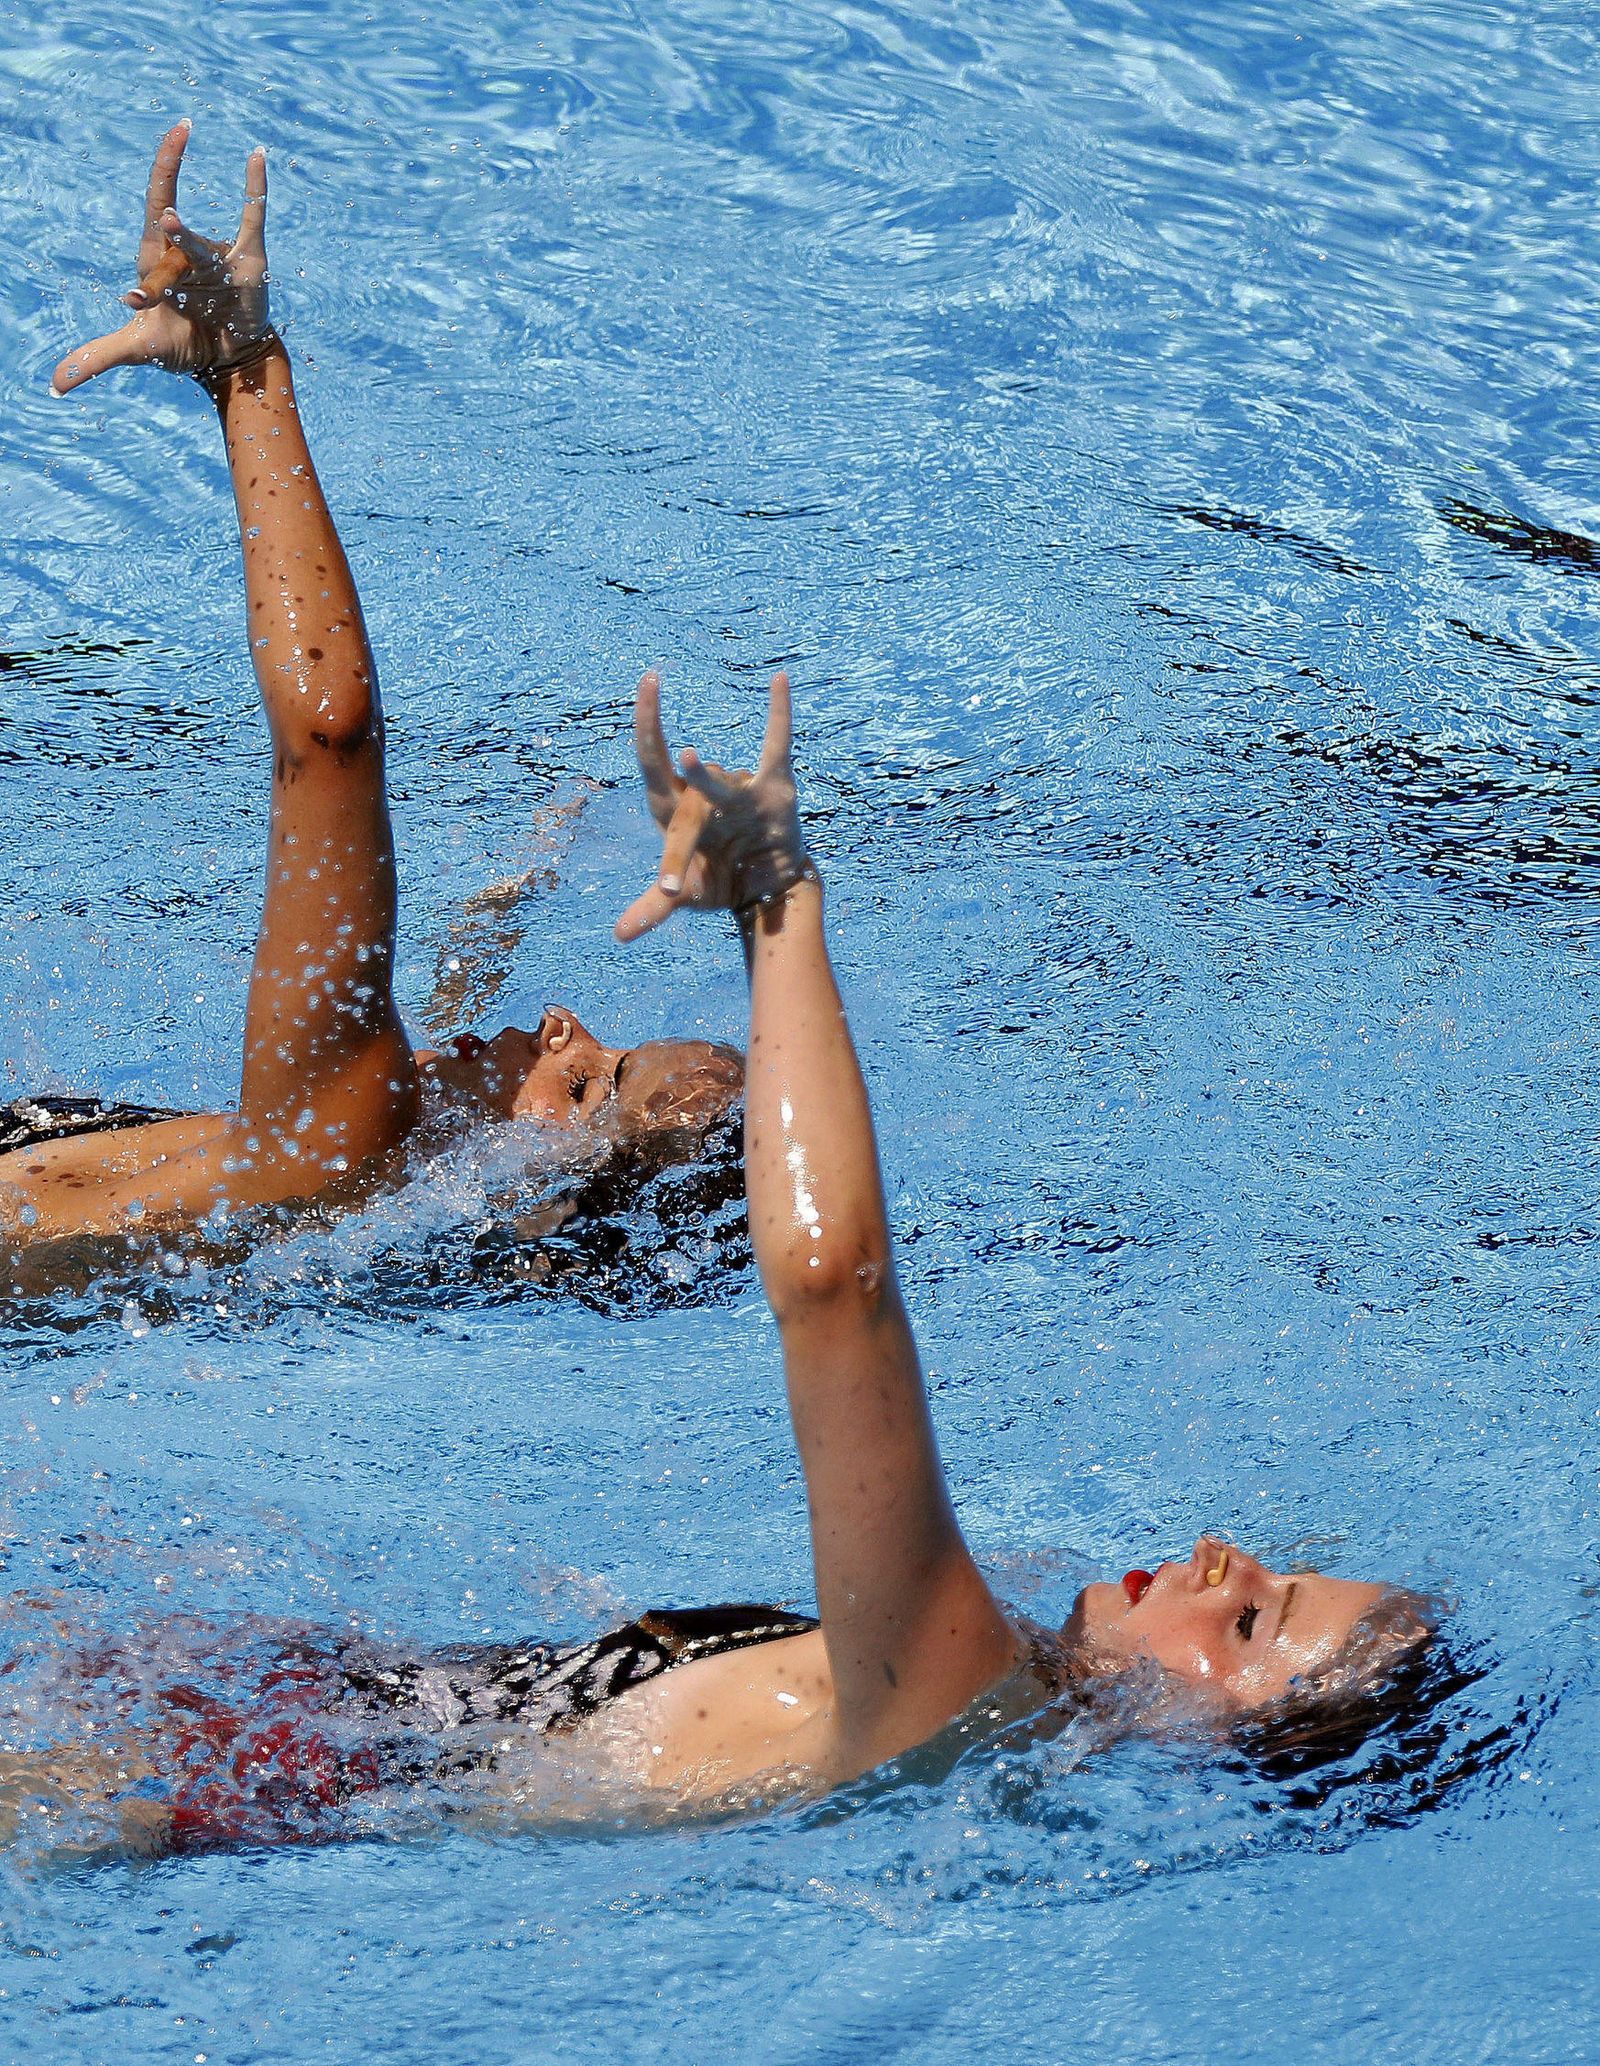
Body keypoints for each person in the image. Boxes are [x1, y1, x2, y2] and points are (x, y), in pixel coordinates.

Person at [0, 671, 1435, 1860]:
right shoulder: (965, 1702)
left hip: (233, 1768)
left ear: (1202, 1743)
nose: (1225, 1557)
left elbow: (835, 1284)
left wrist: (782, 904)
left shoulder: (959, 1696)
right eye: (1283, 1568)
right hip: (276, 1711)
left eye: (1254, 1616)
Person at [0, 125, 740, 1275]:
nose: (566, 1027)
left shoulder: (346, 1143)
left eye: (587, 1078)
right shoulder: (377, 1178)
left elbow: (329, 737)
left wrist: (247, 373)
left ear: (546, 1172)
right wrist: (502, 906)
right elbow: (425, 1021)